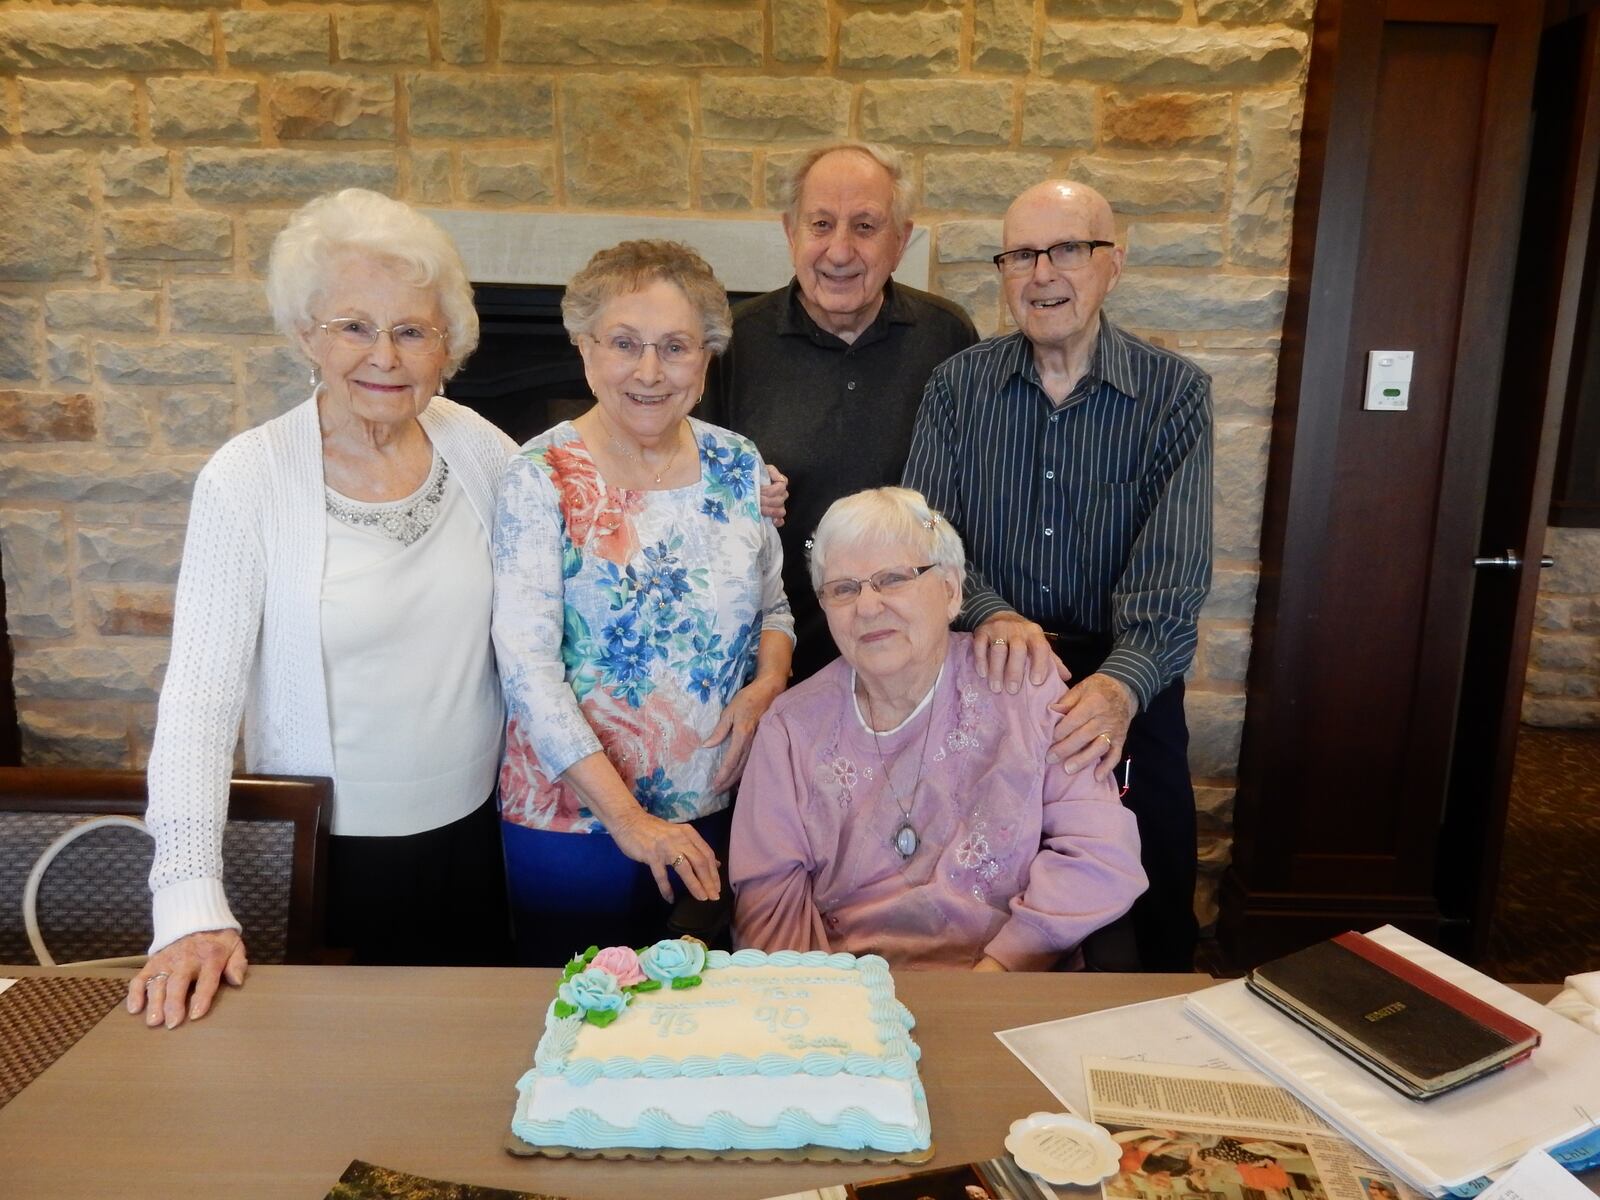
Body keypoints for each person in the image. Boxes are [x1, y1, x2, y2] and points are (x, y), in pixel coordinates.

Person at [128, 189, 518, 1029]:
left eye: (412, 329)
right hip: (325, 855)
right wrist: (189, 897)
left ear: (447, 344)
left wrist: (730, 489)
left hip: (477, 838)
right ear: (306, 333)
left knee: (466, 1070)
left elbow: (582, 536)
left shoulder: (480, 448)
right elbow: (198, 704)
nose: (385, 355)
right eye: (353, 326)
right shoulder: (248, 478)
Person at [903, 180, 1212, 971]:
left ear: (1114, 263)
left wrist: (1117, 689)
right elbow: (925, 541)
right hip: (987, 665)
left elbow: (1172, 581)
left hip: (1122, 674)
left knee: (1152, 897)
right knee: (984, 888)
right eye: (1020, 255)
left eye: (1068, 249)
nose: (1042, 274)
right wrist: (991, 614)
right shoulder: (955, 387)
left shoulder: (1175, 394)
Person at [493, 240, 794, 964]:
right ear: (585, 347)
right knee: (575, 1029)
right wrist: (629, 821)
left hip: (711, 808)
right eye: (625, 344)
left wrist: (765, 688)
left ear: (707, 356)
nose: (650, 372)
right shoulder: (539, 478)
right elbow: (528, 670)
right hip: (571, 824)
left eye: (675, 347)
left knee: (693, 1029)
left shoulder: (737, 463)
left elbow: (776, 609)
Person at [729, 487, 1145, 969]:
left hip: (1007, 984)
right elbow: (768, 902)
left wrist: (1002, 971)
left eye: (893, 579)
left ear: (950, 591)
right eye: (843, 588)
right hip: (844, 999)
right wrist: (827, 1010)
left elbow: (1099, 854)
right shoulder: (791, 726)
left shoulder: (1023, 687)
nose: (866, 607)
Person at [704, 141, 978, 682]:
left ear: (901, 240)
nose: (839, 251)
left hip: (914, 654)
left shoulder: (948, 336)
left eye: (865, 226)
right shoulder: (731, 341)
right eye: (821, 224)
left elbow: (976, 496)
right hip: (775, 655)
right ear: (790, 232)